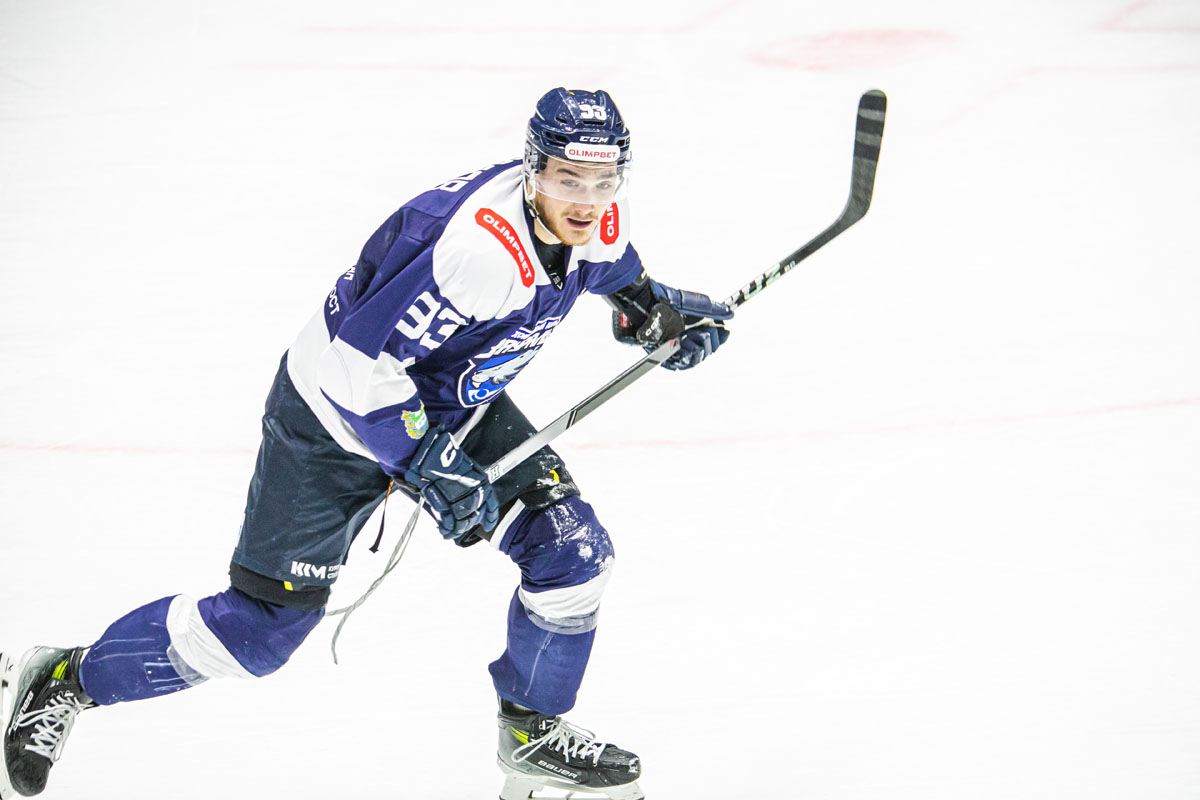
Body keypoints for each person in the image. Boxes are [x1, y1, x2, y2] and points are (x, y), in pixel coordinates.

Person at [0, 88, 732, 800]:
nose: (586, 199)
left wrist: (651, 310)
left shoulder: (594, 219)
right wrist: (424, 461)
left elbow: (611, 266)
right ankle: (64, 678)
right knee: (257, 635)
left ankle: (532, 730)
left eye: (604, 180)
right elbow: (354, 369)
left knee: (573, 552)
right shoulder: (477, 251)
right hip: (330, 420)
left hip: (449, 400)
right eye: (568, 178)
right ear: (532, 167)